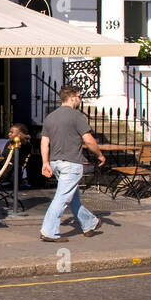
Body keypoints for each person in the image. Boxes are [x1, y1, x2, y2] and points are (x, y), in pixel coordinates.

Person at [40, 85, 105, 242]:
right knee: (62, 198)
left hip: (56, 163)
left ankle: (90, 223)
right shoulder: (77, 116)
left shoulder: (50, 117)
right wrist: (100, 154)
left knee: (73, 198)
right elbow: (88, 140)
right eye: (80, 97)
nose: (80, 100)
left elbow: (44, 142)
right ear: (72, 98)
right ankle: (49, 232)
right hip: (71, 163)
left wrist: (45, 163)